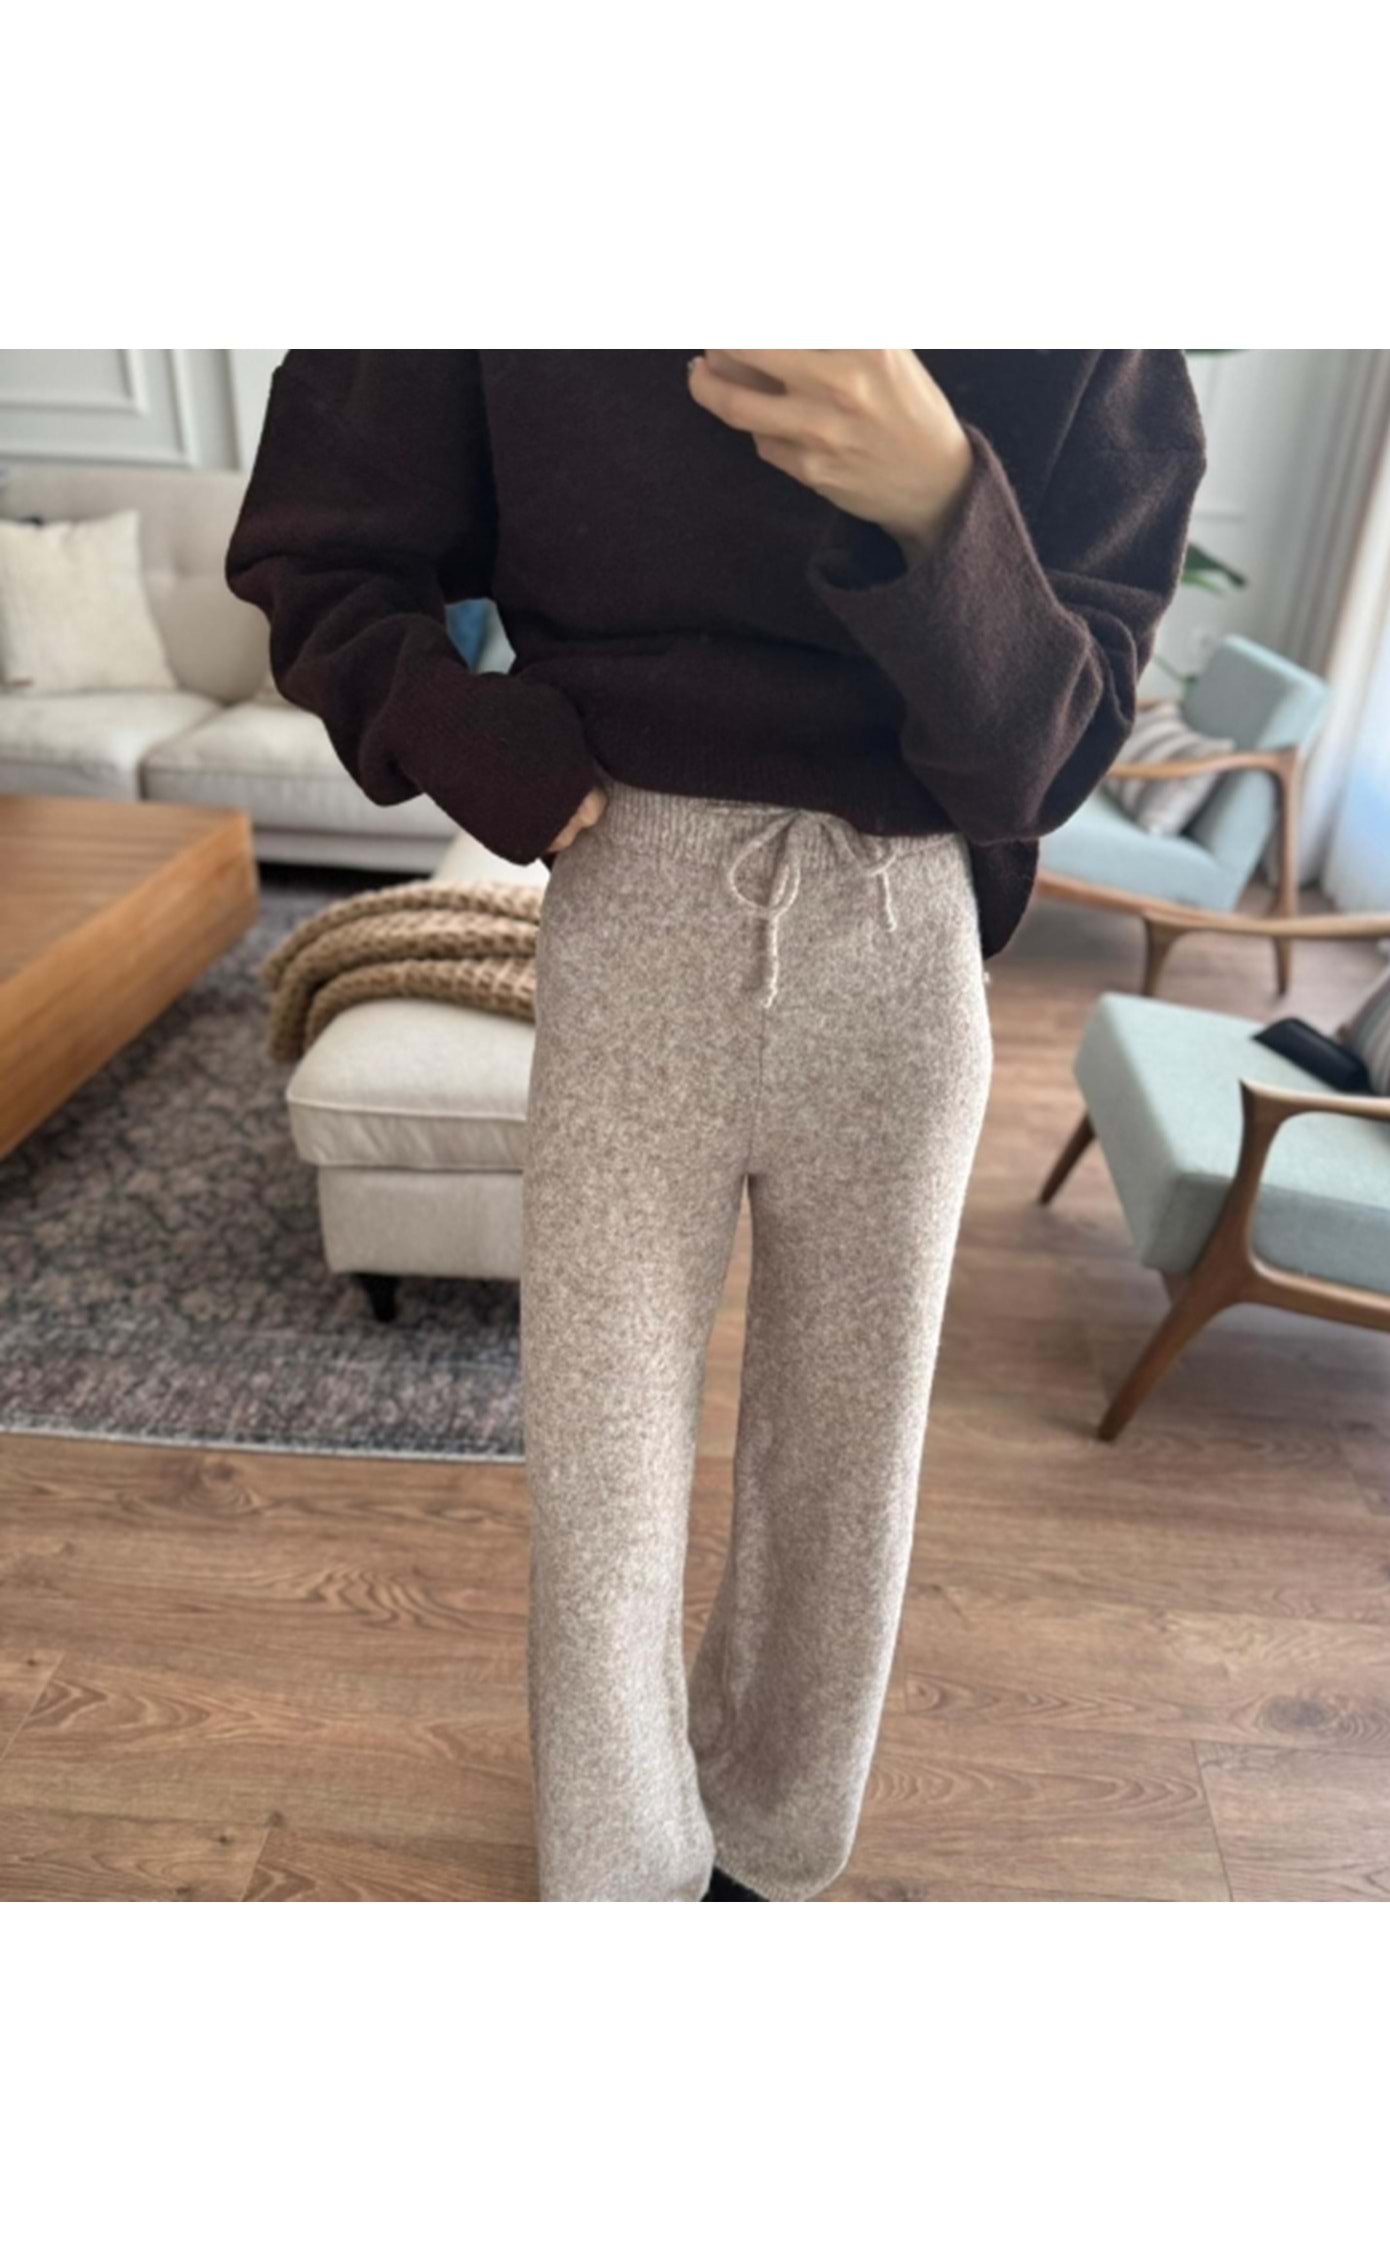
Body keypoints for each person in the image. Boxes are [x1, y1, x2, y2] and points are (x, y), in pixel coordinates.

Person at [226, 347, 1208, 1902]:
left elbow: (1050, 746)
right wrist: (467, 734)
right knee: (600, 1472)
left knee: (845, 1474)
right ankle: (616, 1867)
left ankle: (775, 1838)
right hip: (636, 892)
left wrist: (945, 504)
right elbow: (318, 540)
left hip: (903, 929)